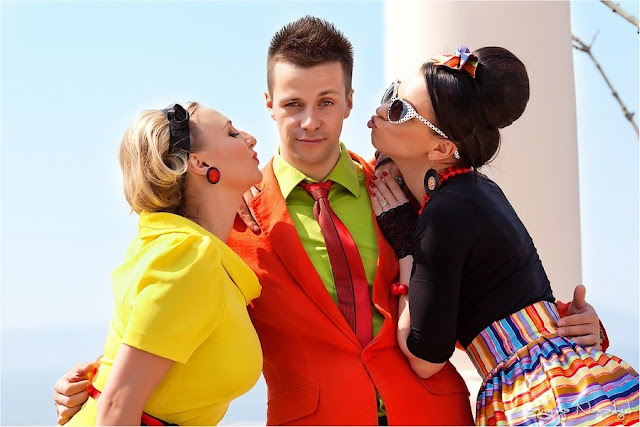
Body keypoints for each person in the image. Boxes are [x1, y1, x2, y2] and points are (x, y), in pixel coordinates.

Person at [54, 18, 607, 426]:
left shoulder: (407, 192)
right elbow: (171, 323)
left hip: (435, 415)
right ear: (269, 104)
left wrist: (577, 327)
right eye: (293, 104)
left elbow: (491, 282)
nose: (309, 121)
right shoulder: (231, 224)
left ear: (348, 102)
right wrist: (92, 383)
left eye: (325, 101)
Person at [368, 46, 639, 425]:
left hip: (536, 392)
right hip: (569, 378)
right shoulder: (478, 190)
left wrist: (405, 245)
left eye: (400, 110)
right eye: (390, 94)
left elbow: (425, 357)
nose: (381, 110)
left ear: (442, 148)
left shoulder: (444, 210)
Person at [65, 102, 264, 426]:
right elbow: (117, 405)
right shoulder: (187, 255)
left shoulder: (186, 250)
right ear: (199, 163)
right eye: (231, 133)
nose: (250, 138)